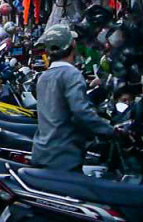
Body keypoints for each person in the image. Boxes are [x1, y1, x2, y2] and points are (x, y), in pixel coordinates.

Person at [31, 24, 116, 171]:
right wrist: (111, 131)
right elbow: (82, 113)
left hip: (42, 151)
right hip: (64, 156)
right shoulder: (71, 75)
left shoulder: (43, 77)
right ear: (72, 45)